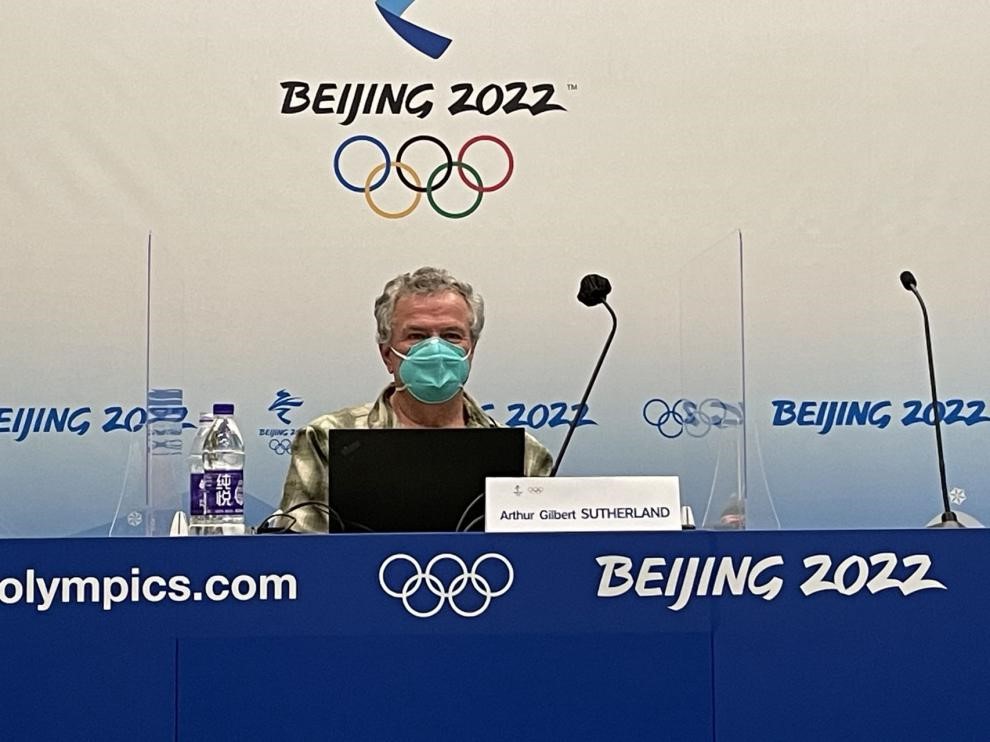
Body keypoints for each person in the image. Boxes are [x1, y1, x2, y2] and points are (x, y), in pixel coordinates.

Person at [273, 266, 553, 532]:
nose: (436, 348)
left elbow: (543, 555)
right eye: (417, 336)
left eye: (451, 336)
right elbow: (297, 554)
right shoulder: (326, 439)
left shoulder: (525, 454)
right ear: (387, 354)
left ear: (471, 350)